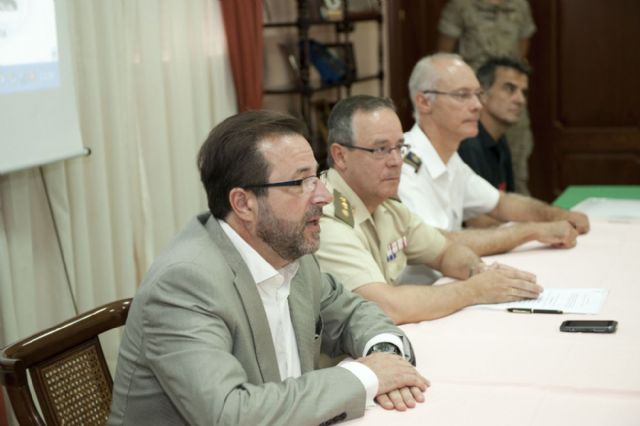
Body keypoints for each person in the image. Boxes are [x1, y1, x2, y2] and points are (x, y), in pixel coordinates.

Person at [108, 111, 429, 426]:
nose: (324, 195)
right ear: (244, 203)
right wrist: (366, 375)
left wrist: (384, 354)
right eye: (301, 181)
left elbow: (354, 314)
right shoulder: (184, 283)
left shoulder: (290, 252)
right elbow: (230, 414)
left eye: (316, 176)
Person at [315, 95, 542, 325]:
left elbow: (445, 252)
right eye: (380, 149)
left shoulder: (385, 205)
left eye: (399, 147)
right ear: (340, 156)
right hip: (346, 359)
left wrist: (478, 271)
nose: (396, 161)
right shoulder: (326, 220)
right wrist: (475, 290)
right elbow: (385, 307)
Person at [398, 53, 589, 262]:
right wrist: (531, 231)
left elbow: (500, 203)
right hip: (420, 289)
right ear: (424, 102)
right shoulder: (402, 164)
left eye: (477, 94)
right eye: (462, 95)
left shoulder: (450, 157)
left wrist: (558, 215)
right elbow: (436, 242)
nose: (477, 105)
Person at [437, 0, 536, 195]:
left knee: (516, 165)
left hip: (504, 92)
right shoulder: (461, 5)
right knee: (474, 165)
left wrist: (509, 83)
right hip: (475, 93)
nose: (521, 99)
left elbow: (522, 47)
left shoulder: (519, 5)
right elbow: (443, 58)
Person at [458, 57, 531, 192]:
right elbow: (476, 210)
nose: (520, 100)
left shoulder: (500, 139)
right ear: (482, 94)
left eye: (524, 92)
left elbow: (508, 198)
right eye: (509, 89)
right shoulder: (468, 146)